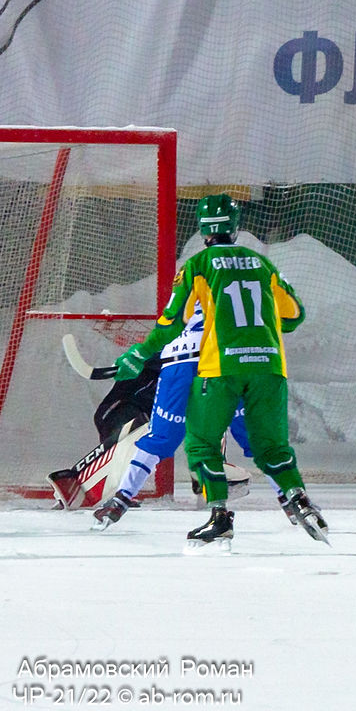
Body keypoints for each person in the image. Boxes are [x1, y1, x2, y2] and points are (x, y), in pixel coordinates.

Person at [116, 194, 326, 549]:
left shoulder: (198, 264)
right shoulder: (262, 263)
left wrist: (141, 352)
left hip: (221, 367)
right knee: (271, 447)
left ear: (202, 229)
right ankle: (299, 500)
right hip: (270, 367)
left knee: (200, 443)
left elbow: (172, 323)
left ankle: (219, 517)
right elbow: (294, 316)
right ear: (235, 226)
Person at [91, 306, 254, 528]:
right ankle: (290, 496)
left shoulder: (189, 305)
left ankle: (122, 498)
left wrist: (140, 354)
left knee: (167, 436)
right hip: (208, 371)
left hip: (188, 371)